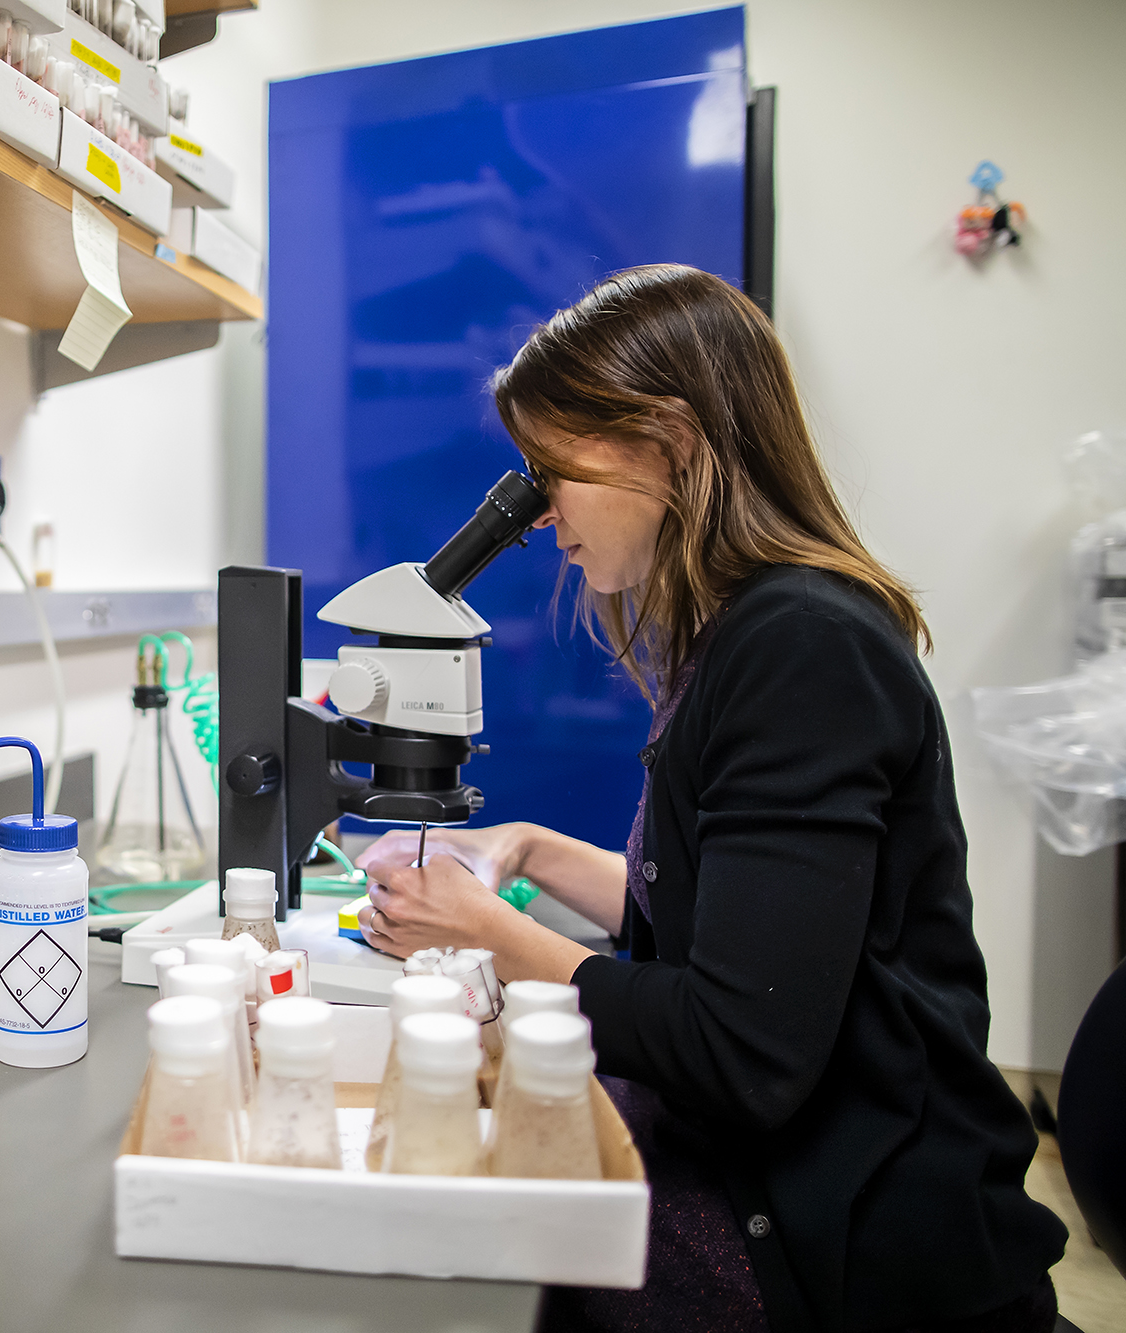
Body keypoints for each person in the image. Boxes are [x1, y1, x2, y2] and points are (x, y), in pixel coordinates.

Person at [356, 265, 1067, 1333]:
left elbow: (741, 1047)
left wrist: (490, 938)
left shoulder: (801, 647)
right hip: (773, 1177)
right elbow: (727, 919)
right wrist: (532, 848)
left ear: (668, 438)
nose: (540, 511)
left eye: (554, 470)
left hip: (834, 1241)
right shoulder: (742, 632)